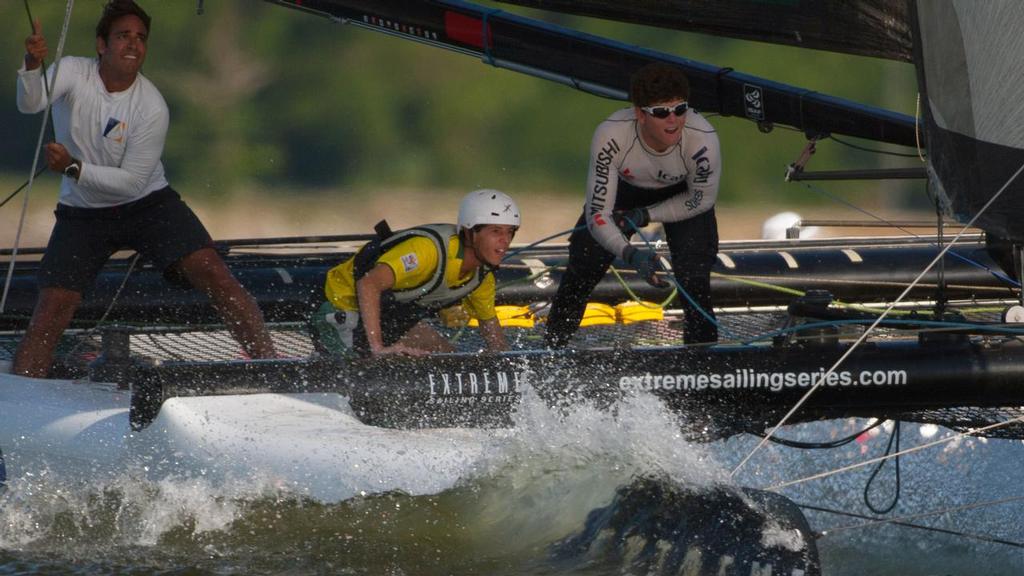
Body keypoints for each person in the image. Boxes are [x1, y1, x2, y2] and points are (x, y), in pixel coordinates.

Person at [13, 0, 275, 378]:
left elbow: (133, 181)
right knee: (55, 302)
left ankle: (271, 365)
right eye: (123, 36)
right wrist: (33, 65)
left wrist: (73, 166)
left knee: (212, 270)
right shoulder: (73, 71)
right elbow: (32, 102)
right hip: (83, 214)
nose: (133, 44)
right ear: (102, 44)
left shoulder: (151, 105)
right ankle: (24, 389)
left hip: (146, 204)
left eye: (140, 37)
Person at [544, 62, 722, 348]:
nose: (673, 121)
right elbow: (598, 213)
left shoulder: (703, 140)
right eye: (661, 112)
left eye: (680, 109)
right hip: (624, 194)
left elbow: (701, 199)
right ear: (640, 113)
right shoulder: (612, 135)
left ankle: (702, 362)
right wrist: (630, 254)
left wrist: (645, 216)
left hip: (683, 198)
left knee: (695, 278)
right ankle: (551, 350)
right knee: (583, 266)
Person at [312, 189, 519, 358]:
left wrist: (506, 366)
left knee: (448, 359)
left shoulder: (482, 277)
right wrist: (378, 348)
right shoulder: (427, 251)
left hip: (391, 316)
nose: (505, 241)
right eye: (496, 232)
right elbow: (369, 284)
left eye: (510, 232)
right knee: (369, 369)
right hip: (340, 305)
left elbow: (492, 332)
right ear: (469, 233)